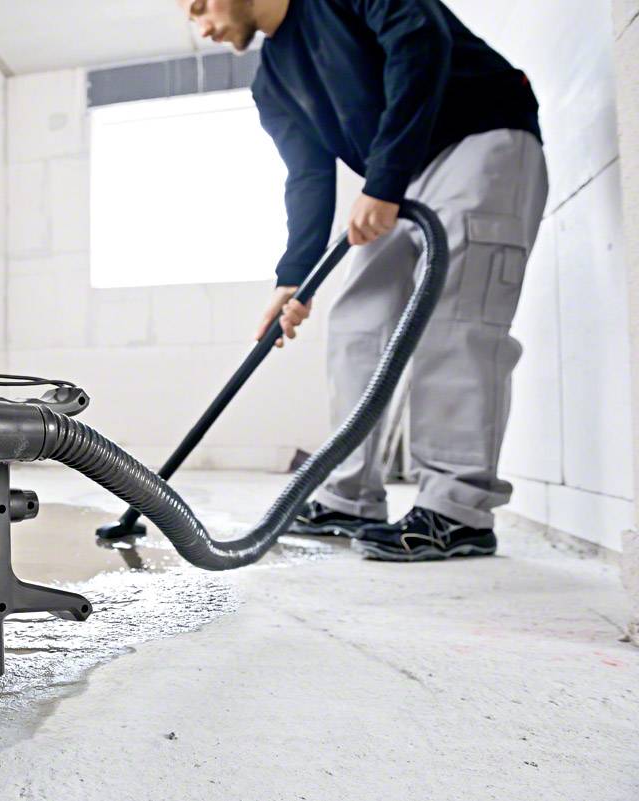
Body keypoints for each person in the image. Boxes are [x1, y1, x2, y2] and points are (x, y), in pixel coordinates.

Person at [178, 0, 548, 561]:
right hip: (399, 175)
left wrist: (385, 180)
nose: (200, 27)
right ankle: (347, 495)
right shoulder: (273, 81)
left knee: (455, 322)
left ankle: (457, 511)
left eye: (199, 5)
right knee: (358, 323)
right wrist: (292, 280)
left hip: (478, 138)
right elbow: (307, 176)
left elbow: (420, 42)